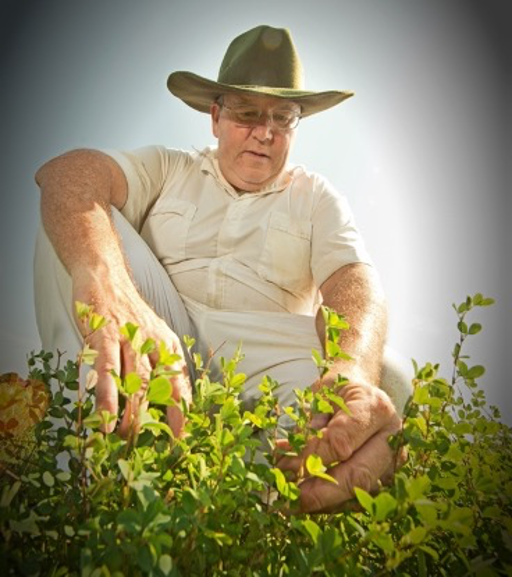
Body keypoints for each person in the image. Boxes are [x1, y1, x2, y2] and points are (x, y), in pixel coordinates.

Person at [34, 25, 410, 513]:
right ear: (215, 117)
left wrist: (350, 369)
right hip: (158, 331)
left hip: (261, 365)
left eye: (283, 116)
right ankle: (84, 472)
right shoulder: (170, 168)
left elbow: (354, 281)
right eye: (247, 112)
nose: (265, 131)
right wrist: (113, 293)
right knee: (72, 222)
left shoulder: (315, 197)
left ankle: (268, 516)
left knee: (392, 377)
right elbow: (67, 173)